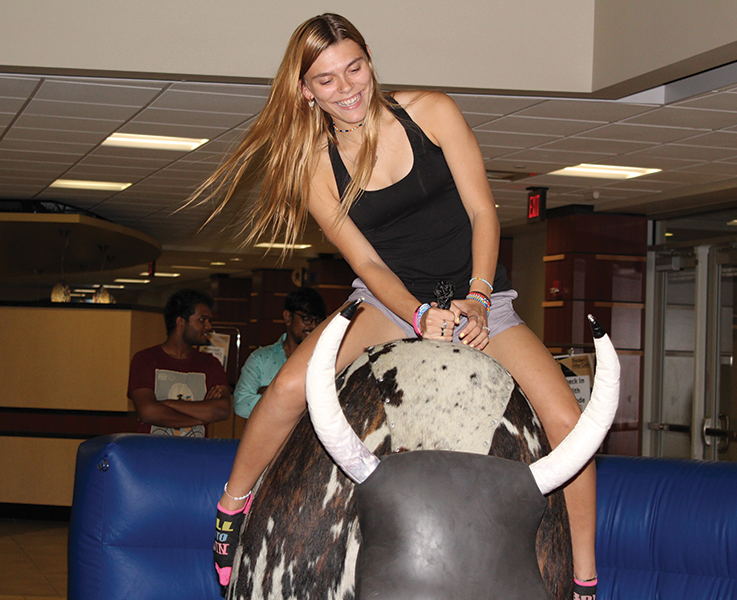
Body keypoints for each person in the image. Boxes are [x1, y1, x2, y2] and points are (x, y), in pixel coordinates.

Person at [196, 14, 598, 599]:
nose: (347, 87)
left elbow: (485, 213)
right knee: (287, 390)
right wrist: (415, 315)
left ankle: (585, 573)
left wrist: (480, 300)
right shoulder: (313, 164)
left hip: (478, 293)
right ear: (305, 90)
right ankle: (232, 509)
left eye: (354, 68)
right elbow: (369, 265)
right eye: (327, 79)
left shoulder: (431, 112)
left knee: (569, 425)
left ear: (369, 61)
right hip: (387, 300)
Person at [128, 289, 231, 437]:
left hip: (196, 454)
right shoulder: (146, 359)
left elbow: (222, 410)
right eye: (202, 319)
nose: (208, 326)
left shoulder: (210, 364)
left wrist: (167, 403)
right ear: (180, 322)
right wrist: (201, 416)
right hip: (153, 453)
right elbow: (148, 412)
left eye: (209, 320)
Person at [233, 287, 327, 418]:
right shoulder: (260, 359)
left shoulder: (328, 360)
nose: (312, 326)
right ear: (288, 317)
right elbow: (242, 405)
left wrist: (270, 394)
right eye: (306, 318)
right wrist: (301, 400)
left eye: (318, 320)